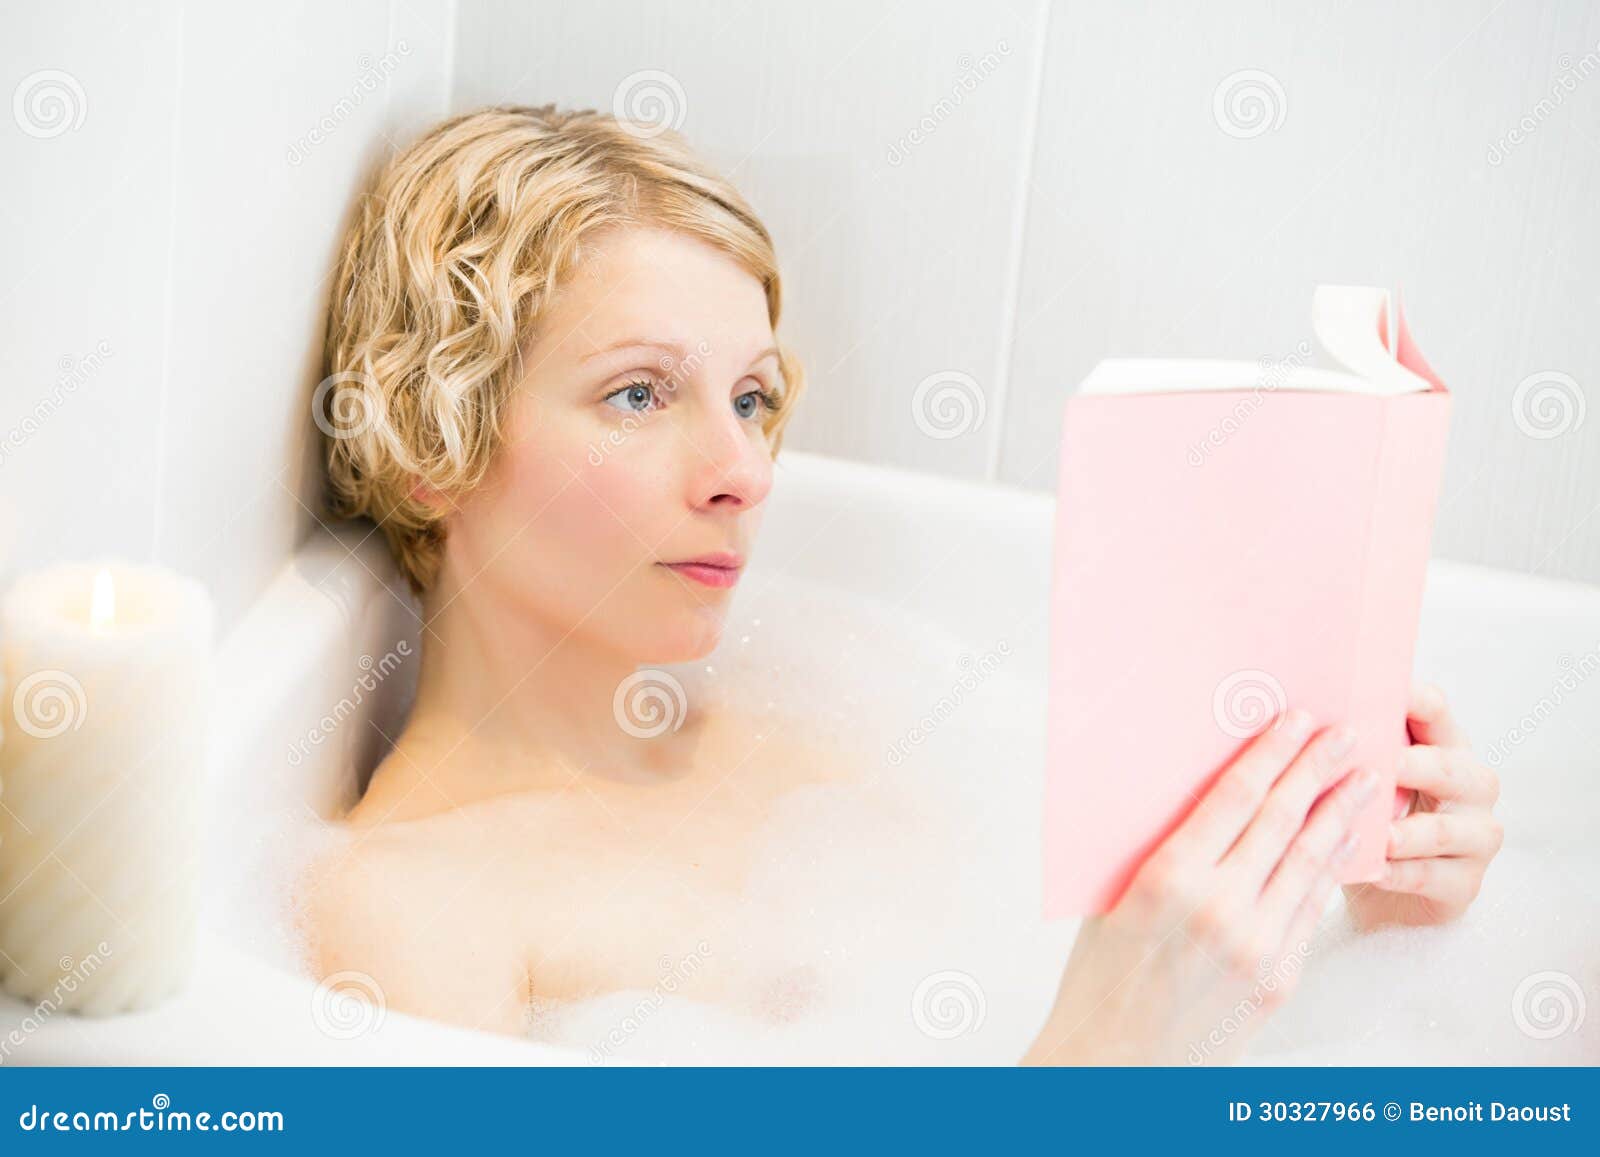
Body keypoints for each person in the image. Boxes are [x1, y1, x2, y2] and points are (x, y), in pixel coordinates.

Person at [296, 104, 1503, 1062]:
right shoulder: (414, 909)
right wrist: (1103, 1058)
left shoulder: (817, 742)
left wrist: (1357, 928)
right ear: (427, 446)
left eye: (753, 398)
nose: (742, 470)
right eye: (639, 392)